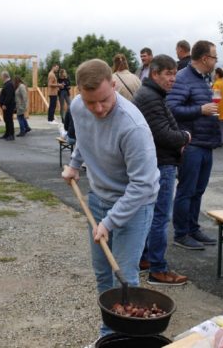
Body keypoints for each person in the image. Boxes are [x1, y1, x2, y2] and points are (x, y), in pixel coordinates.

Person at [61, 59, 159, 338]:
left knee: (124, 276)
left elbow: (142, 185)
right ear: (80, 93)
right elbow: (84, 136)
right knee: (103, 274)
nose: (98, 109)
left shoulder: (133, 127)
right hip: (98, 198)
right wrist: (74, 163)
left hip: (135, 205)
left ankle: (123, 338)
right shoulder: (80, 107)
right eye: (91, 102)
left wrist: (109, 222)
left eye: (104, 100)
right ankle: (110, 335)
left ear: (114, 85)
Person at [133, 55, 190, 286]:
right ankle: (158, 269)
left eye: (174, 73)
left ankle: (146, 258)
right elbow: (163, 135)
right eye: (168, 73)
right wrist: (185, 136)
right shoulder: (151, 98)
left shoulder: (152, 95)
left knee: (152, 215)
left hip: (158, 160)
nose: (173, 79)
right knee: (160, 216)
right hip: (161, 162)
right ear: (154, 74)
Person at [166, 40, 221, 250]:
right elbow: (171, 108)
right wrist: (200, 110)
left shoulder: (203, 78)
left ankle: (192, 227)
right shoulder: (183, 78)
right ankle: (181, 233)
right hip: (192, 143)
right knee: (187, 190)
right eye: (214, 57)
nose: (216, 60)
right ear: (205, 58)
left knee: (198, 190)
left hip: (206, 142)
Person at [0, 71, 16, 141]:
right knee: (6, 119)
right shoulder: (7, 84)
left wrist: (5, 104)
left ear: (4, 76)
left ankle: (11, 135)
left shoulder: (9, 84)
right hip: (6, 106)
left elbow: (9, 96)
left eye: (1, 76)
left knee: (9, 120)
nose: (1, 78)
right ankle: (7, 133)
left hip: (8, 106)